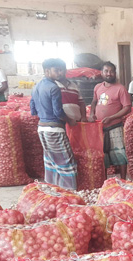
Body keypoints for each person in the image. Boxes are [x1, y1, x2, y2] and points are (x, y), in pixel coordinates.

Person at [30, 58, 78, 190]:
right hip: (55, 130)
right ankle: (71, 194)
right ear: (47, 71)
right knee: (68, 164)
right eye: (56, 70)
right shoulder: (54, 88)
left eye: (61, 70)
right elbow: (58, 112)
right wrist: (70, 120)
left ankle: (53, 190)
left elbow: (33, 110)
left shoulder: (36, 87)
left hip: (42, 129)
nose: (60, 73)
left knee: (51, 162)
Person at [89, 61, 131, 180]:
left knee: (120, 153)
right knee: (103, 154)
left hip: (115, 126)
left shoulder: (120, 89)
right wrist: (91, 113)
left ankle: (123, 179)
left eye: (112, 71)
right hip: (99, 127)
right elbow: (94, 101)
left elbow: (127, 108)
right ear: (101, 73)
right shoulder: (97, 87)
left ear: (115, 73)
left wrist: (112, 117)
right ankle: (105, 180)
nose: (109, 73)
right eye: (106, 71)